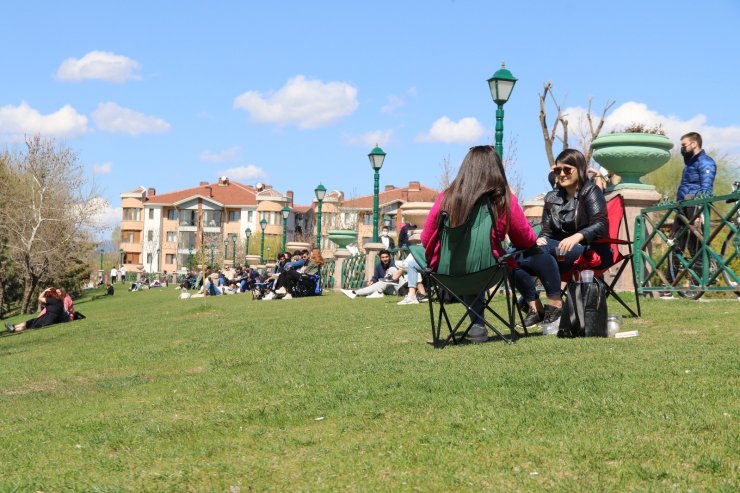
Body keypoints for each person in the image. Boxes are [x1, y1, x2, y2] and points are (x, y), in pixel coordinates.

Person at [422, 145, 555, 342]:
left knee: (468, 261)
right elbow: (525, 239)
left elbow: (426, 239)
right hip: (489, 272)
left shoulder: (446, 198)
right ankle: (549, 305)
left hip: (447, 274)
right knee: (486, 260)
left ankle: (477, 326)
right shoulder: (502, 200)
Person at [514, 148, 612, 327]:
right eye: (558, 170)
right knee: (511, 256)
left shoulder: (591, 191)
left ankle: (555, 305)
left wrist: (577, 236)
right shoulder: (551, 197)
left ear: (580, 169)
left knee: (540, 250)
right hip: (557, 253)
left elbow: (601, 224)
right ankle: (535, 307)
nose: (562, 174)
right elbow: (546, 231)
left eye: (567, 169)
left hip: (590, 251)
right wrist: (540, 238)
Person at [669, 132, 717, 278]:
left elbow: (706, 188)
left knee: (695, 244)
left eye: (684, 145)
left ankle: (701, 279)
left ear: (694, 144)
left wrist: (700, 212)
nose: (682, 148)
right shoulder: (690, 162)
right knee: (676, 242)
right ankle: (669, 283)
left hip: (695, 205)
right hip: (684, 204)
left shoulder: (705, 162)